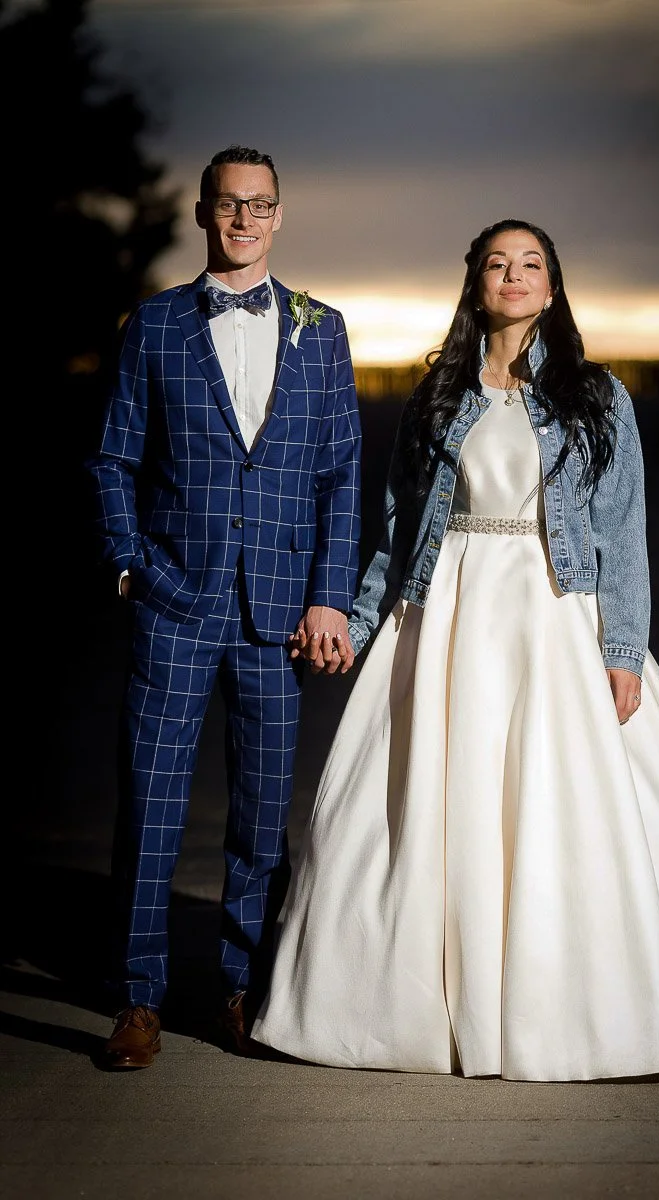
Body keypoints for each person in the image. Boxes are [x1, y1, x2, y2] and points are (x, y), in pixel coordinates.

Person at [250, 218, 659, 1081]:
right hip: (448, 615)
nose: (514, 275)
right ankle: (418, 1011)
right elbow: (396, 531)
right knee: (426, 801)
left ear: (553, 285)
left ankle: (566, 1012)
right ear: (475, 284)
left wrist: (622, 648)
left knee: (551, 800)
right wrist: (354, 618)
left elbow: (620, 533)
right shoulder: (435, 399)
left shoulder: (597, 396)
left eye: (531, 263)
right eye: (498, 263)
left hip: (549, 613)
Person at [86, 144, 362, 1070]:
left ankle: (246, 993)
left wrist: (330, 596)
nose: (243, 220)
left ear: (278, 215)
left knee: (259, 815)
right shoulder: (155, 325)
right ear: (205, 214)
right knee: (152, 806)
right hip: (174, 600)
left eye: (260, 205)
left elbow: (340, 476)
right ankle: (137, 1000)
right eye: (227, 205)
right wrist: (131, 567)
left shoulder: (321, 328)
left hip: (278, 612)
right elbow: (113, 460)